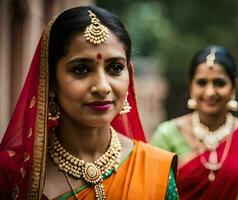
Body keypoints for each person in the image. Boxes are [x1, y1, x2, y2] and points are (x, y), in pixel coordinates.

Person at [0, 5, 178, 200]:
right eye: (81, 69)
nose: (102, 87)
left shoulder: (155, 168)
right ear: (50, 80)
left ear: (130, 75)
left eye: (115, 68)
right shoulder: (13, 172)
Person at [151, 45, 238, 200]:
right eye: (201, 83)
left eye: (219, 83)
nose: (210, 92)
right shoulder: (167, 134)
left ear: (234, 87)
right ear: (191, 86)